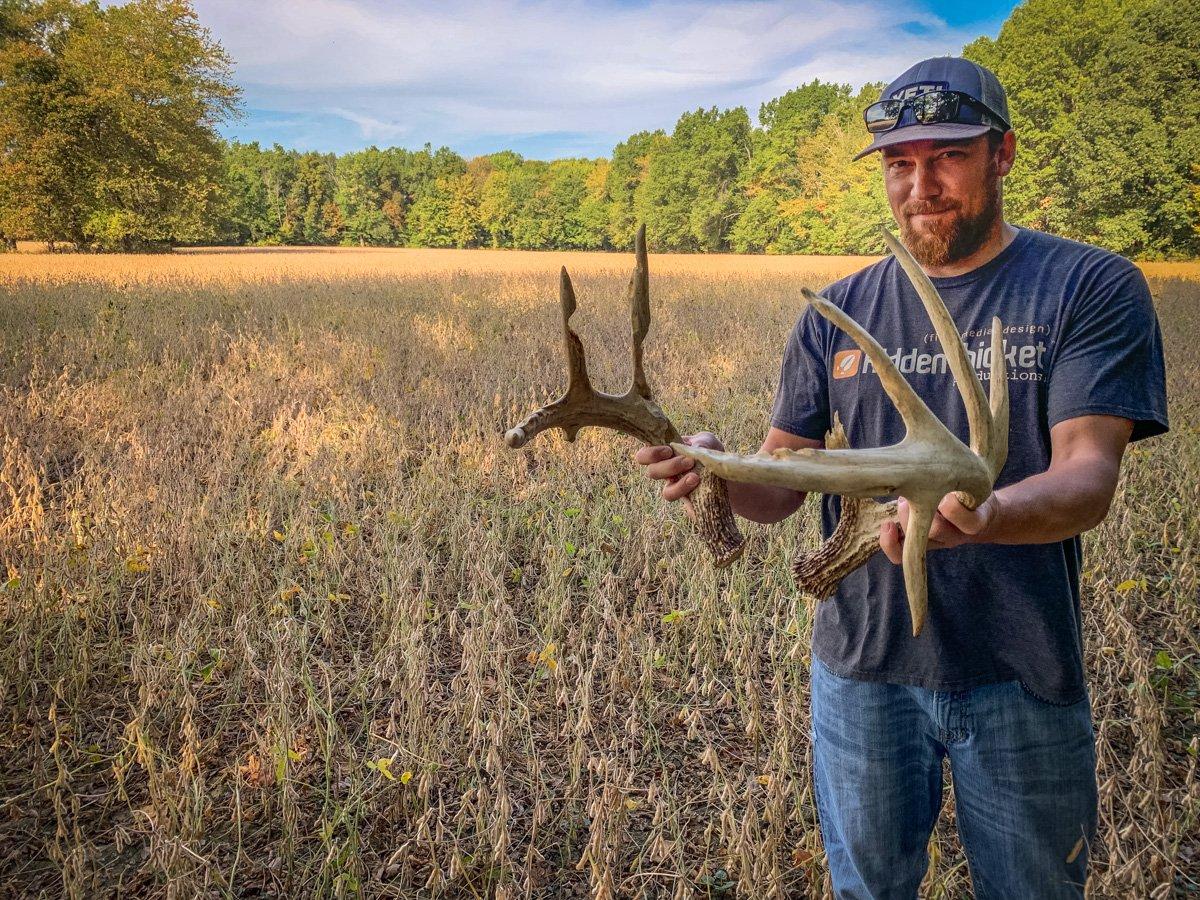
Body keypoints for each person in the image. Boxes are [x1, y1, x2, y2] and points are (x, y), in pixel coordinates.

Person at [635, 57, 1169, 898]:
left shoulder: (1089, 286)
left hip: (1021, 670)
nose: (921, 184)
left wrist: (983, 514)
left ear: (1004, 154)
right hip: (861, 673)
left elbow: (1087, 478)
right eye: (898, 162)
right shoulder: (837, 311)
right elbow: (782, 486)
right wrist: (715, 470)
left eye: (948, 155)